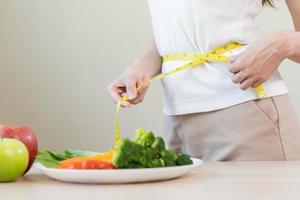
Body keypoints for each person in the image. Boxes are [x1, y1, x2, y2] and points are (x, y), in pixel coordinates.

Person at [108, 0, 300, 161]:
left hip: (244, 113)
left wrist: (280, 43)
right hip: (177, 122)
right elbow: (177, 24)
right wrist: (141, 67)